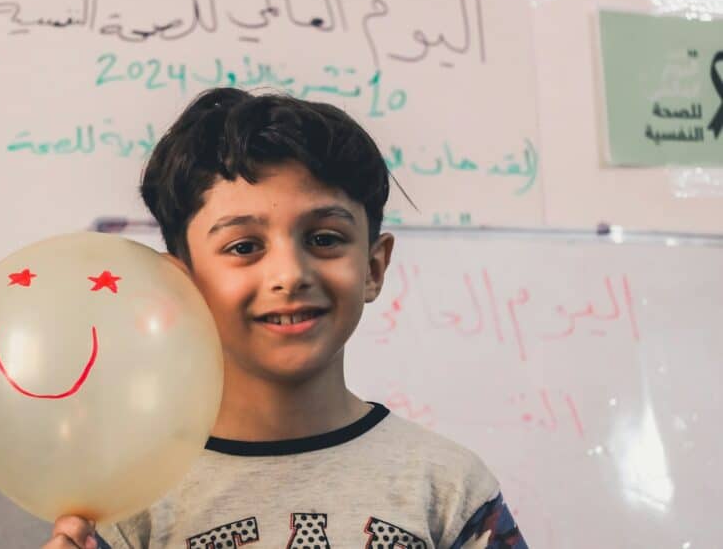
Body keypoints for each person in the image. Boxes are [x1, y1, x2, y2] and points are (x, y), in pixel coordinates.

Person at [43, 88, 527, 549]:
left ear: (373, 267)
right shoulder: (128, 504)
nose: (290, 275)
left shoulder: (450, 489)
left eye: (324, 239)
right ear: (180, 286)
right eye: (244, 247)